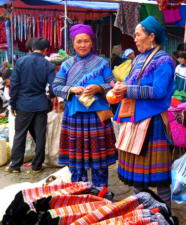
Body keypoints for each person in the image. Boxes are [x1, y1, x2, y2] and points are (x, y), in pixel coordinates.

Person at [112, 16, 174, 207]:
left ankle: (164, 214)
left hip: (153, 122)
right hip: (135, 121)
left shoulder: (164, 60)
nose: (135, 39)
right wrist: (120, 86)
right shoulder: (138, 59)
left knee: (161, 178)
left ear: (151, 36)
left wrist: (128, 90)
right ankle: (140, 212)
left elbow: (159, 91)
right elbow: (131, 82)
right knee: (138, 177)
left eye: (138, 35)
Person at [52, 24, 117, 187]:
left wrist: (99, 88)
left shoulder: (102, 63)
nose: (82, 45)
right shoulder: (67, 65)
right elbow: (56, 87)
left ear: (92, 43)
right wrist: (71, 89)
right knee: (77, 160)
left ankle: (101, 192)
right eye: (79, 41)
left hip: (97, 117)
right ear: (73, 44)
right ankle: (80, 192)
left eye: (86, 41)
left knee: (99, 160)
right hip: (75, 118)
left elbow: (113, 84)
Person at [6, 38, 55, 173]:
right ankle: (36, 166)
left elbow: (14, 85)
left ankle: (15, 166)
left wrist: (13, 104)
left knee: (20, 135)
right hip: (40, 104)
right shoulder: (48, 65)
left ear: (32, 48)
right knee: (40, 136)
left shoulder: (20, 62)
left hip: (23, 104)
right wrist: (50, 98)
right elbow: (53, 86)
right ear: (46, 50)